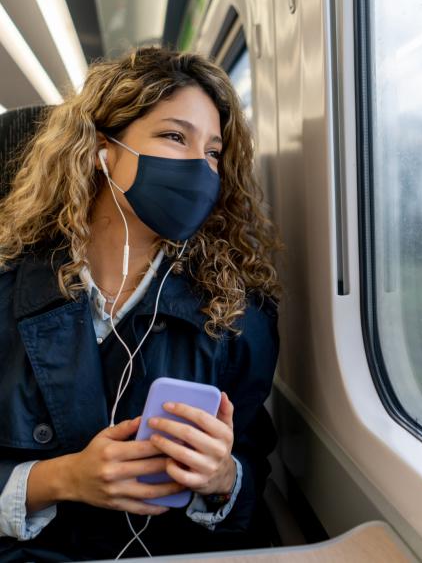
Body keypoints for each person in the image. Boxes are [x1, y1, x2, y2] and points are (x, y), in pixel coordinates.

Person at [0, 47, 281, 561]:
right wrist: (59, 479)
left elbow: (251, 470)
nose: (201, 167)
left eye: (213, 152)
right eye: (175, 137)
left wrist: (222, 478)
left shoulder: (239, 312)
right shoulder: (5, 290)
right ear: (100, 152)